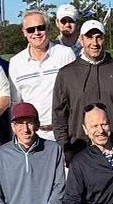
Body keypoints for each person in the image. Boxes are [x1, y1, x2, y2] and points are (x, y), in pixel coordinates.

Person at [52, 19, 113, 160]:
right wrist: (65, 146)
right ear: (81, 40)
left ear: (104, 39)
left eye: (98, 37)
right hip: (80, 150)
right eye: (89, 37)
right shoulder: (66, 74)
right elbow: (59, 115)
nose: (94, 43)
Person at [8, 9, 77, 141]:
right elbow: (16, 104)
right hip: (33, 135)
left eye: (40, 28)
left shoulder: (66, 54)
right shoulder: (16, 62)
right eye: (30, 30)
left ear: (47, 28)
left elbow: (75, 95)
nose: (36, 33)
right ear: (24, 32)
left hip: (65, 132)